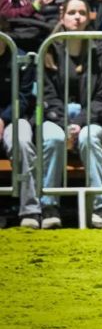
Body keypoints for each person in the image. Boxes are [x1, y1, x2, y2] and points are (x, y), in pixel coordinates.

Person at [40, 0, 102, 229]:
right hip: (56, 118)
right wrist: (65, 123)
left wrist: (79, 122)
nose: (77, 17)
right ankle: (49, 206)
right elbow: (47, 96)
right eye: (72, 12)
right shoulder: (49, 49)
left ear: (89, 17)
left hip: (90, 119)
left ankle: (101, 208)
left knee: (88, 138)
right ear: (62, 17)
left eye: (82, 12)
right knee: (53, 138)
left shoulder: (100, 50)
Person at [0, 24, 41, 226]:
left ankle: (30, 210)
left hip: (14, 118)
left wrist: (3, 119)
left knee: (23, 141)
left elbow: (23, 99)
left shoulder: (22, 60)